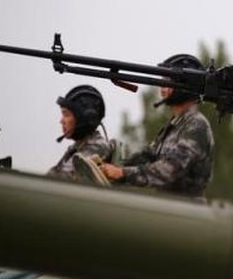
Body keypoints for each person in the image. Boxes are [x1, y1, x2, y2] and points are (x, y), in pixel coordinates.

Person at [100, 54, 214, 197]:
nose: (162, 87)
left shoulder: (196, 125)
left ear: (185, 85)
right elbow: (146, 156)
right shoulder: (176, 124)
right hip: (168, 207)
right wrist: (110, 162)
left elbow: (170, 170)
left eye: (167, 81)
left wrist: (122, 173)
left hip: (187, 212)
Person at [47, 85, 114, 181]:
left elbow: (64, 179)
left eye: (66, 114)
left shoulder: (97, 147)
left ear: (85, 119)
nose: (61, 121)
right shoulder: (77, 147)